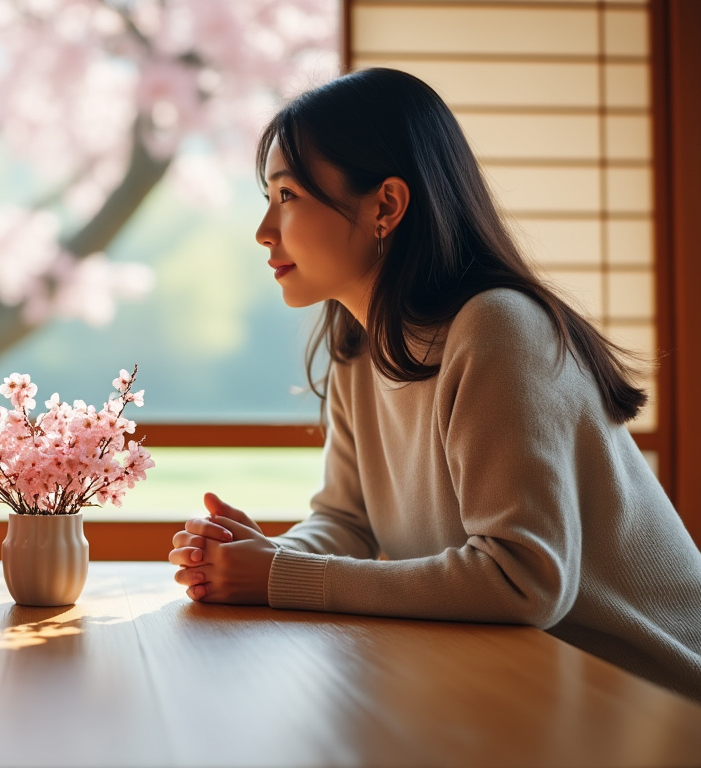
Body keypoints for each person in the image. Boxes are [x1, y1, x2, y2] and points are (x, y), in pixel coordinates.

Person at [169, 68, 701, 702]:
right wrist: (258, 557)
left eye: (288, 197)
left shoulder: (496, 327)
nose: (263, 229)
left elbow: (524, 578)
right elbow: (346, 521)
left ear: (386, 206)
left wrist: (280, 575)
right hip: (529, 686)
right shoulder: (358, 341)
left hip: (651, 701)